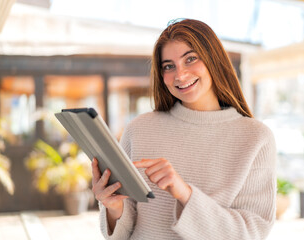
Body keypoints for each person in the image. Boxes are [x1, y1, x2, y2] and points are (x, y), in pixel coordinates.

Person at [91, 18, 277, 240]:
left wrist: (185, 194)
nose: (180, 75)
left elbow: (251, 233)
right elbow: (123, 231)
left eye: (190, 59)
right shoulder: (139, 129)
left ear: (213, 60)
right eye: (169, 66)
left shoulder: (255, 138)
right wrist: (112, 207)